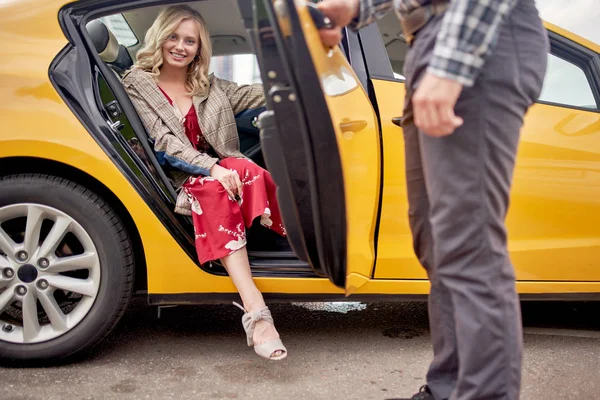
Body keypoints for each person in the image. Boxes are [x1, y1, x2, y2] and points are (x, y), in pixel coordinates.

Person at [317, 0, 548, 398]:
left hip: (476, 36)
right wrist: (353, 7)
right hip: (426, 41)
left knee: (466, 240)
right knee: (434, 240)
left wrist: (451, 64)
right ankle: (448, 387)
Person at [121, 5, 287, 361]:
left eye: (190, 41)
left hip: (215, 169)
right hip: (179, 177)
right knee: (217, 185)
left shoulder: (207, 85)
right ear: (160, 38)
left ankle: (311, 249)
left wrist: (295, 85)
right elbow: (166, 144)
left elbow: (253, 93)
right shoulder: (138, 82)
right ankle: (257, 314)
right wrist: (211, 168)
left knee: (251, 171)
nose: (181, 46)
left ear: (200, 48)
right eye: (174, 37)